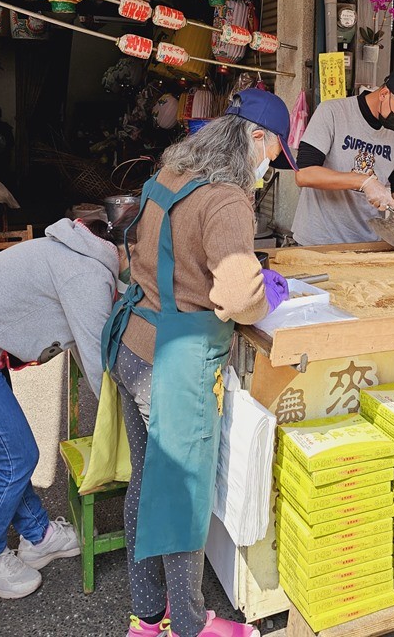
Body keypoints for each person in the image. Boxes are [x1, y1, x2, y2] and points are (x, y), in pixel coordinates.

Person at [101, 88, 296, 637]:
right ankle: (189, 623)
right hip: (174, 363)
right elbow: (237, 296)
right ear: (255, 139)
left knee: (145, 482)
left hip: (132, 346)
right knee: (182, 494)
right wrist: (265, 294)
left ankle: (146, 615)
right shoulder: (228, 199)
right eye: (273, 154)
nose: (269, 170)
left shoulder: (170, 174)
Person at [0, 217, 123, 600]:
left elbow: (83, 338)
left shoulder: (77, 252)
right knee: (16, 458)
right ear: (124, 251)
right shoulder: (86, 277)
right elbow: (98, 361)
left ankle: (38, 535)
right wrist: (127, 419)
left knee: (8, 454)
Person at [292, 65, 394, 256]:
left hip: (367, 244)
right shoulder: (333, 112)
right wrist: (364, 182)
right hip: (319, 242)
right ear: (384, 94)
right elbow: (304, 174)